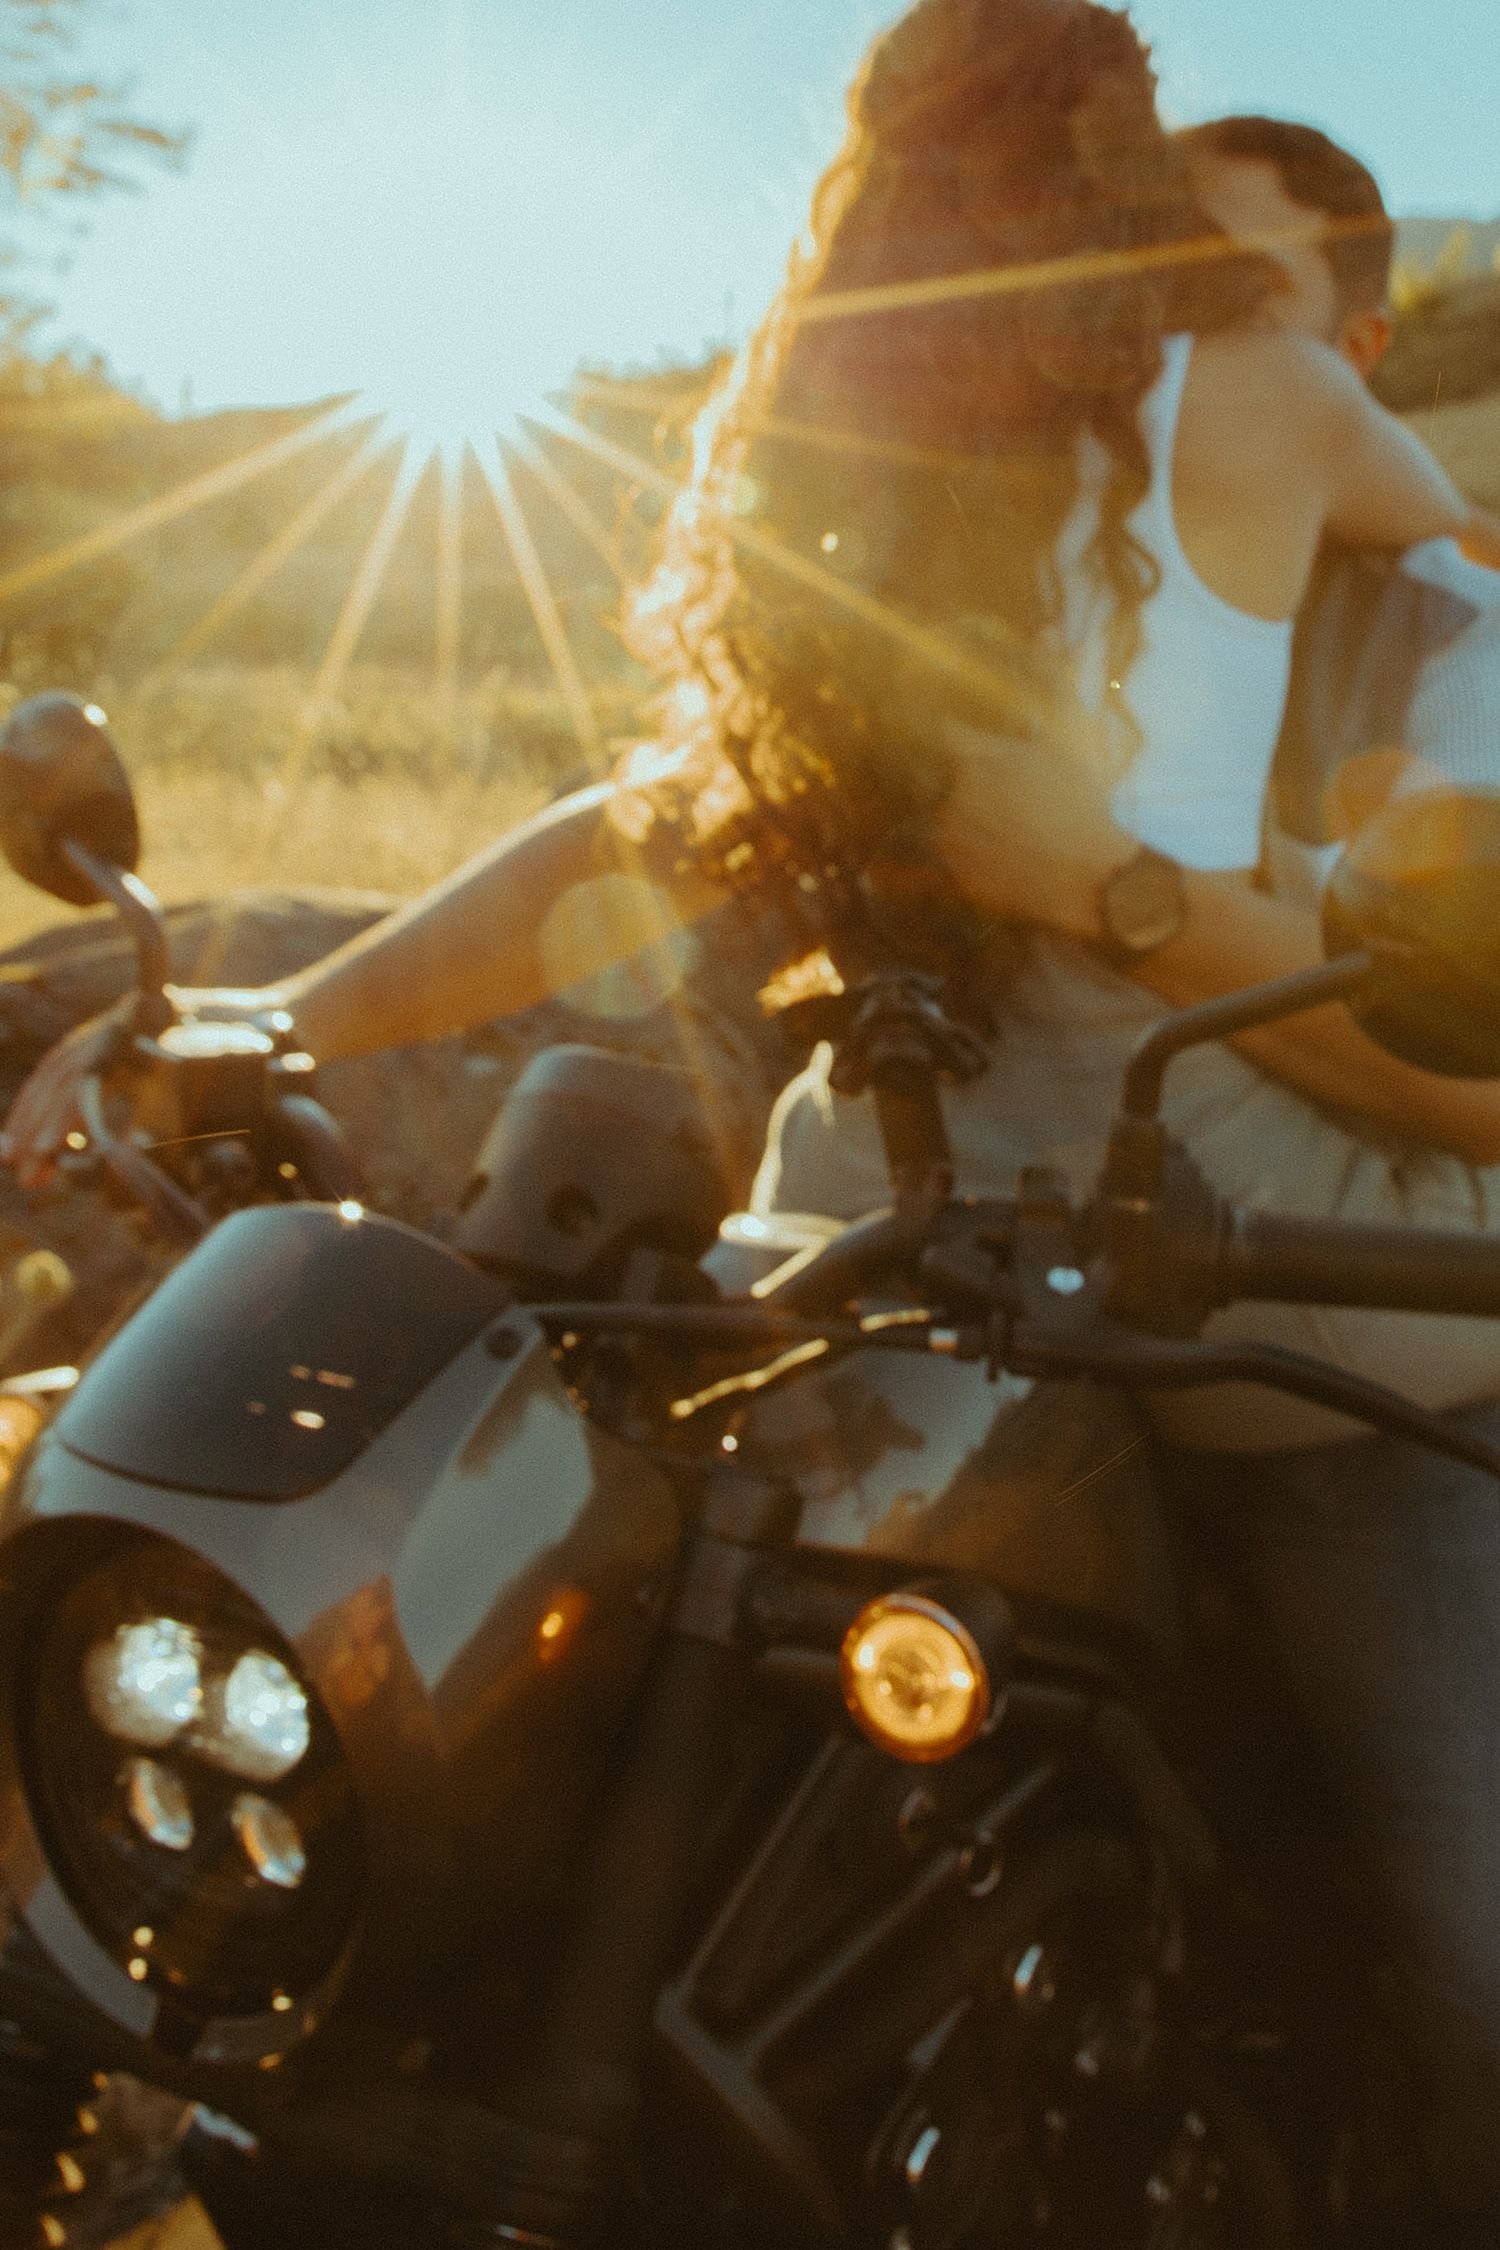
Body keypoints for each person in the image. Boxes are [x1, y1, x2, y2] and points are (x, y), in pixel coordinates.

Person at [4, 0, 1500, 2206]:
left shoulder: (847, 465)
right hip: (938, 1258)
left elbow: (644, 830)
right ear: (1112, 153)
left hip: (1164, 1271)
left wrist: (295, 1007)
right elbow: (674, 819)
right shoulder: (1228, 412)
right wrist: (274, 1017)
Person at [1180, 113, 1500, 910]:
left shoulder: (1458, 639)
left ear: (1355, 352)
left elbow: (1432, 1016)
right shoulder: (1020, 541)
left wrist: (1104, 891)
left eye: (1241, 289)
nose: (1171, 329)